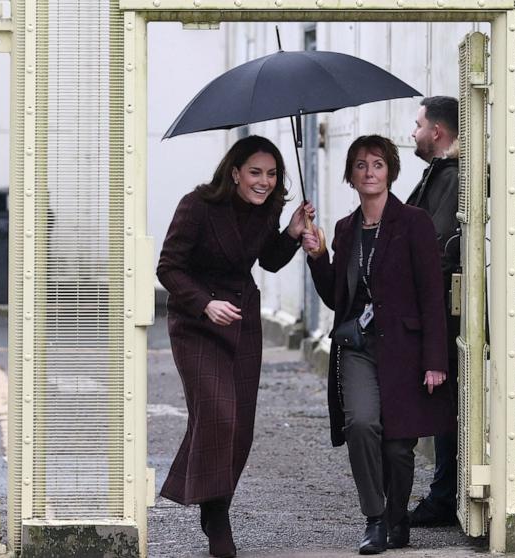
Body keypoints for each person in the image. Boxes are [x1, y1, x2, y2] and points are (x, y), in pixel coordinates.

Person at [157, 135, 313, 558]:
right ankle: (217, 515)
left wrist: (294, 232)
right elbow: (168, 267)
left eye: (272, 173)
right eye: (255, 172)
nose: (264, 182)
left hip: (242, 322)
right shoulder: (198, 205)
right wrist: (205, 304)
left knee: (240, 423)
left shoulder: (269, 209)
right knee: (218, 413)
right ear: (235, 173)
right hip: (196, 322)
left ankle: (216, 504)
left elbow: (268, 260)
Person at [301, 135, 454, 554]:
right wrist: (317, 256)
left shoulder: (414, 223)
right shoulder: (345, 229)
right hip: (357, 346)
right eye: (361, 166)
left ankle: (397, 516)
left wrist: (435, 360)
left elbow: (431, 294)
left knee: (398, 445)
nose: (370, 172)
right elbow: (337, 297)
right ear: (350, 176)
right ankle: (374, 519)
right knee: (362, 425)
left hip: (404, 347)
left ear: (390, 171)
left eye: (378, 164)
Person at [407, 96, 462, 527]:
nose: (414, 132)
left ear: (437, 132)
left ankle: (445, 496)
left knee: (446, 402)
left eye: (418, 124)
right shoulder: (441, 175)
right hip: (437, 307)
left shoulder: (453, 176)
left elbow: (439, 247)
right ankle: (445, 492)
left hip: (445, 310)